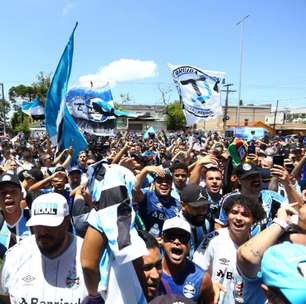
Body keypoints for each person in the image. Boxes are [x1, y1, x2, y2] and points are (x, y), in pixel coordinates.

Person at [0, 193, 88, 304]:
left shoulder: (87, 254)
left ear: (66, 222)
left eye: (50, 225)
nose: (43, 231)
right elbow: (4, 297)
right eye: (38, 224)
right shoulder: (14, 257)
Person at [193, 194, 265, 304]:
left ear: (253, 220)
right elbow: (195, 271)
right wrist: (210, 285)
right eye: (234, 212)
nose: (238, 218)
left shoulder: (256, 249)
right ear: (227, 215)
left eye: (245, 215)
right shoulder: (213, 238)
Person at [161, 216, 214, 303]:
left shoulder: (202, 279)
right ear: (162, 240)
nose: (177, 242)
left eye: (183, 237)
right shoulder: (150, 273)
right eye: (171, 236)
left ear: (190, 244)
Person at [133, 166, 180, 236]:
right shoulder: (147, 195)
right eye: (160, 181)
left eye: (168, 181)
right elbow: (134, 191)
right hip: (146, 243)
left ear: (171, 184)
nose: (164, 183)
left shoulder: (177, 204)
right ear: (154, 183)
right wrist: (145, 171)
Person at [179, 184, 211, 256]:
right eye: (196, 208)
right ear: (183, 205)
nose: (202, 212)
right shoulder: (174, 226)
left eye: (204, 207)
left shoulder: (205, 223)